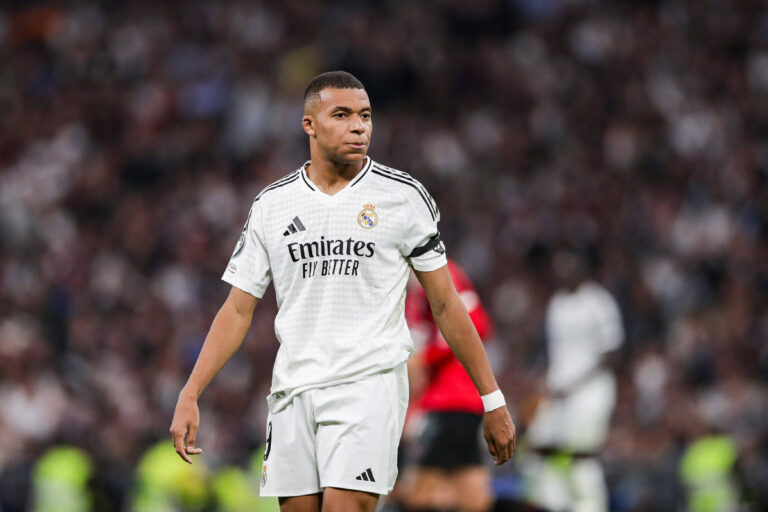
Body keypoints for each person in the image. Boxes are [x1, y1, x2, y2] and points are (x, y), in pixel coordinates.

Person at [169, 71, 516, 512]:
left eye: (366, 116)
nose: (359, 126)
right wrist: (191, 392)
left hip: (367, 384)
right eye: (342, 115)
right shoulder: (272, 205)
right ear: (309, 125)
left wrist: (493, 398)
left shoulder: (402, 197)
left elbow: (446, 303)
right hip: (293, 390)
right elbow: (237, 310)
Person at [523, 249, 624, 512]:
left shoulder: (598, 300)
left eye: (569, 265)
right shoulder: (557, 303)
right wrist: (545, 382)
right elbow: (554, 351)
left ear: (582, 267)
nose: (563, 271)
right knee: (539, 446)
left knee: (581, 453)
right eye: (559, 266)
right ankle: (555, 503)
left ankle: (591, 506)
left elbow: (612, 353)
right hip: (558, 391)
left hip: (591, 389)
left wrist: (575, 385)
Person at [402, 260, 496, 512]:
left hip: (451, 399)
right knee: (470, 485)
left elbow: (477, 323)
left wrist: (427, 357)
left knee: (421, 492)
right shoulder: (413, 288)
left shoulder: (439, 272)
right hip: (450, 402)